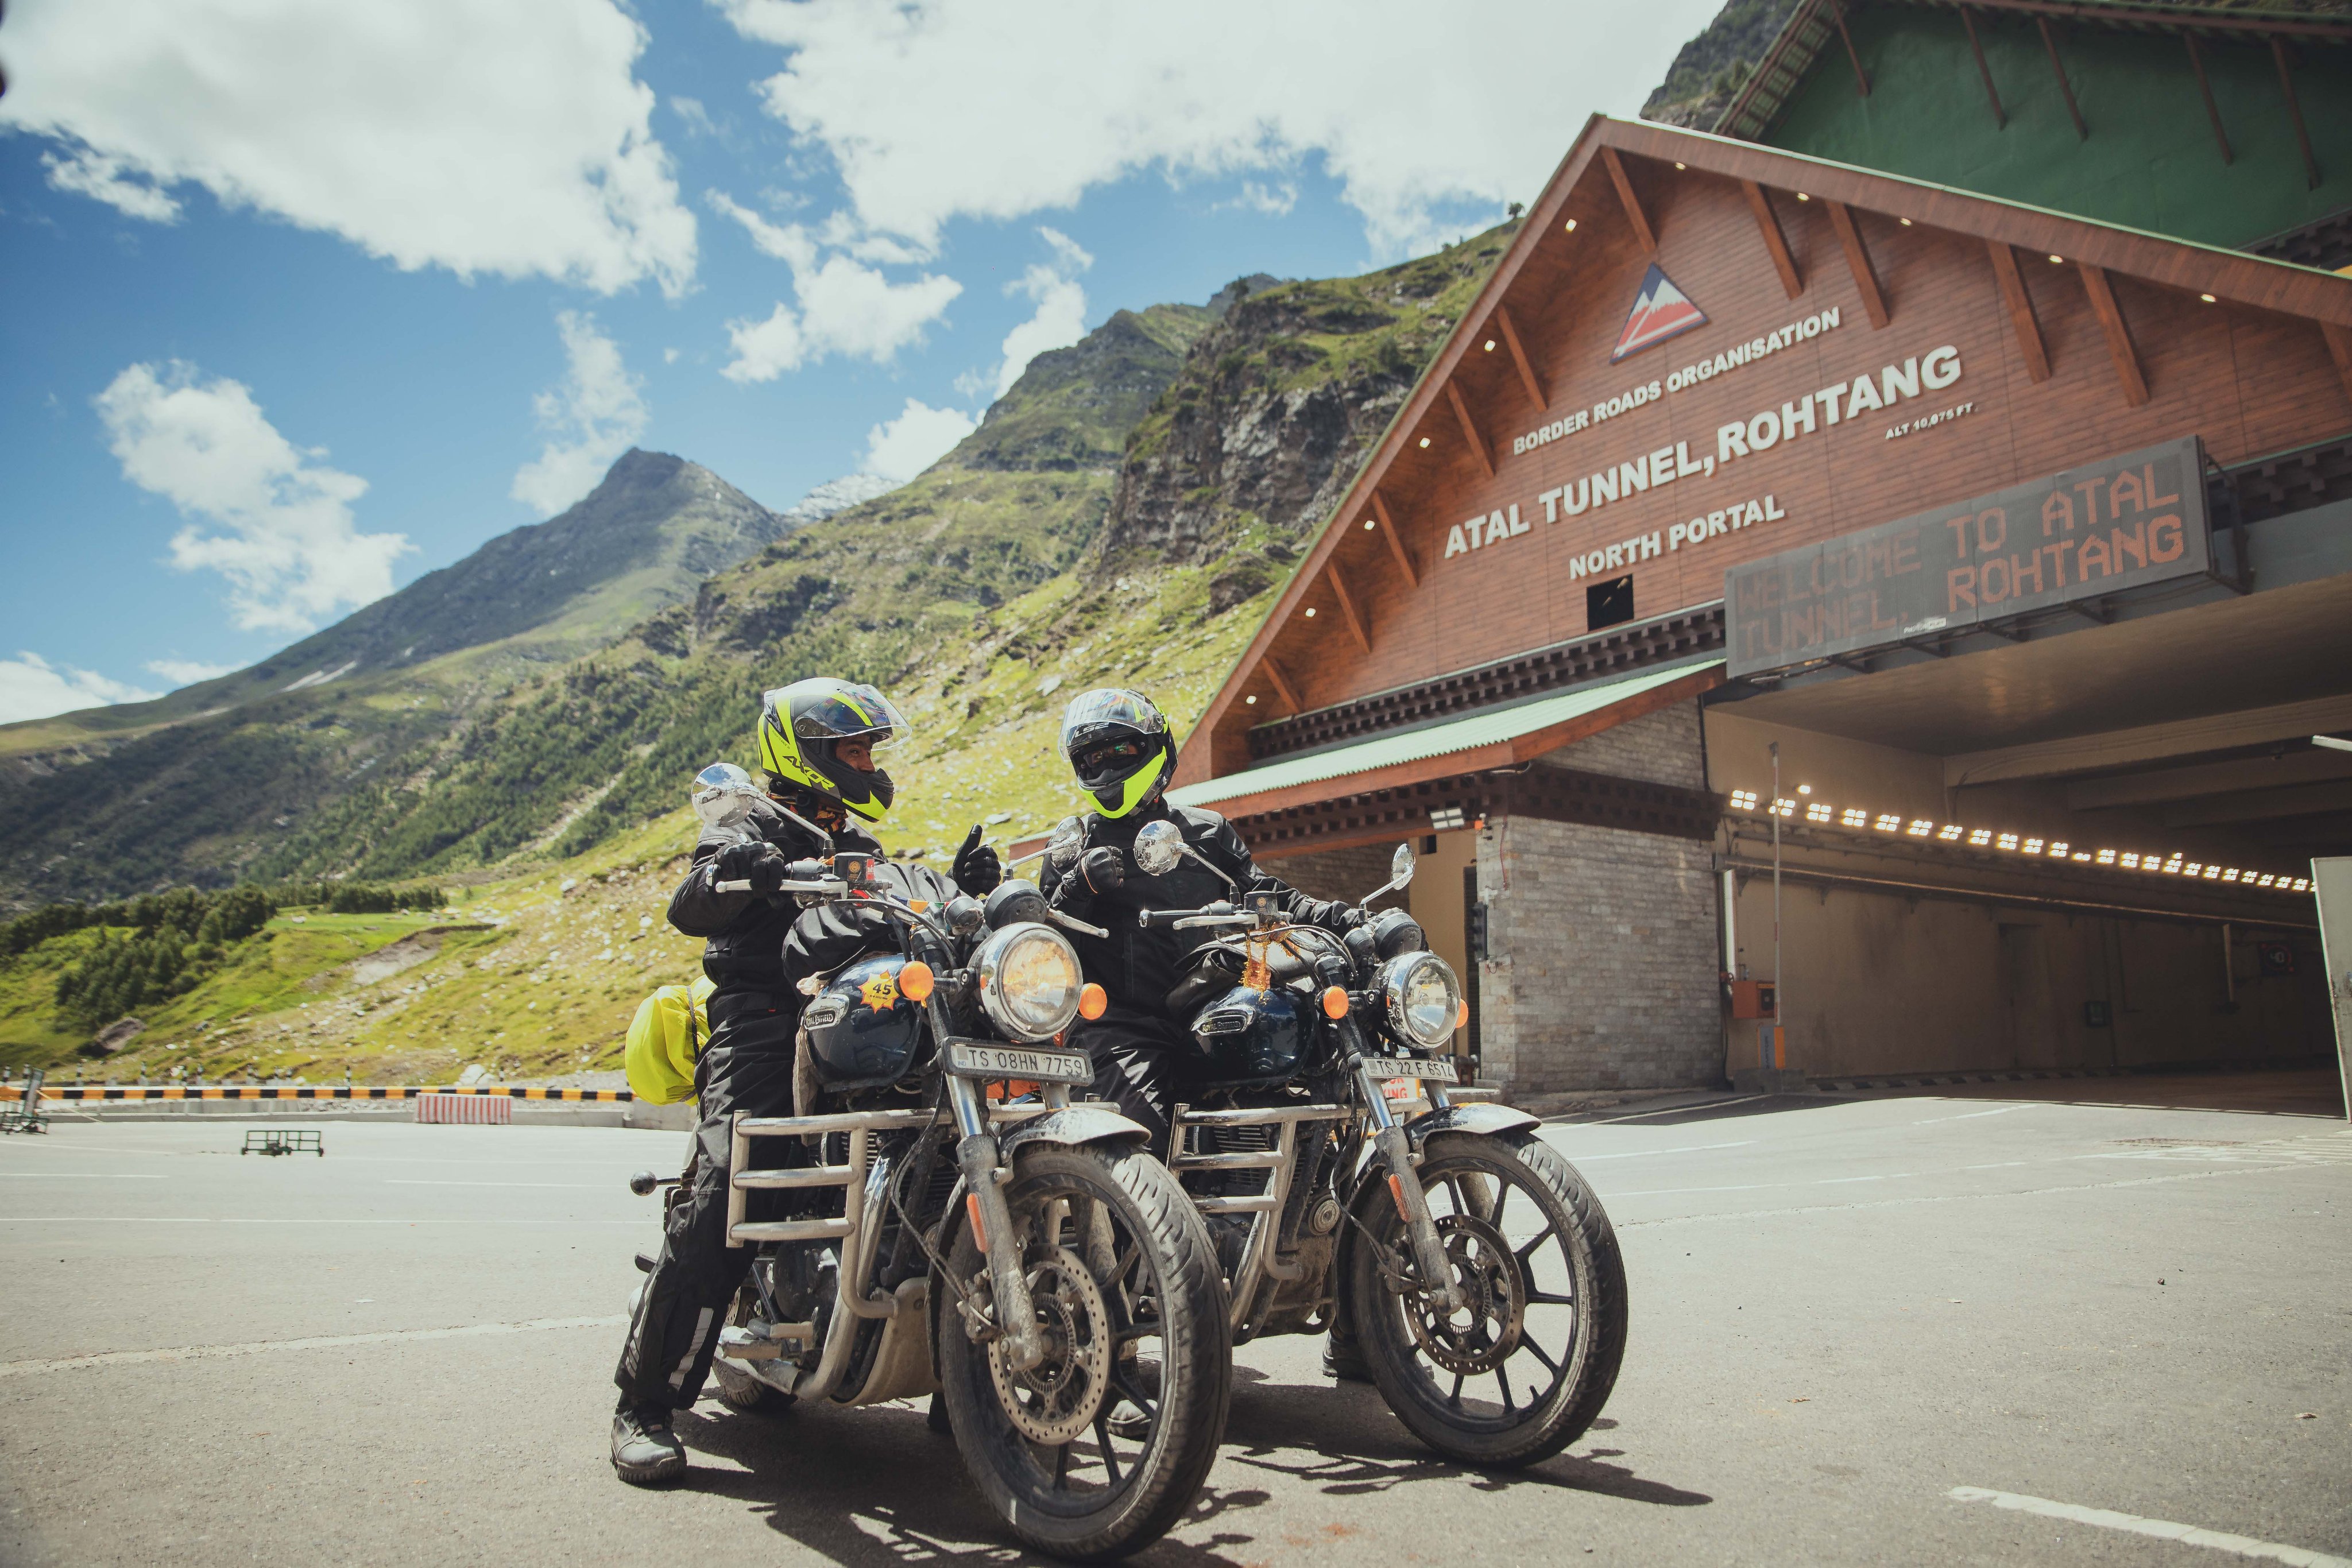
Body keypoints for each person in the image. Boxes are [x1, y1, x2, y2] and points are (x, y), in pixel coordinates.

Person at [610, 677, 1000, 1484]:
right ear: (809, 753)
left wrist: (963, 891)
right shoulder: (751, 819)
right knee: (732, 1181)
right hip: (763, 1012)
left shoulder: (853, 839)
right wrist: (739, 870)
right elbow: (690, 903)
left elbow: (896, 911)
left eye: (868, 750)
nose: (866, 762)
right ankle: (644, 1401)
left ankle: (962, 1375)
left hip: (858, 1013)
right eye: (853, 749)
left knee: (940, 1155)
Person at [1040, 688, 1372, 1380]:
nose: (1105, 765)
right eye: (1091, 756)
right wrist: (1075, 887)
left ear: (1154, 751)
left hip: (1200, 1007)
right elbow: (1039, 938)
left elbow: (1261, 895)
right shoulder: (1072, 843)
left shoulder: (1205, 833)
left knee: (1327, 1107)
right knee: (1135, 1148)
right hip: (1120, 1025)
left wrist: (1338, 917)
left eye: (1119, 751)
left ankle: (1358, 1318)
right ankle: (1115, 1341)